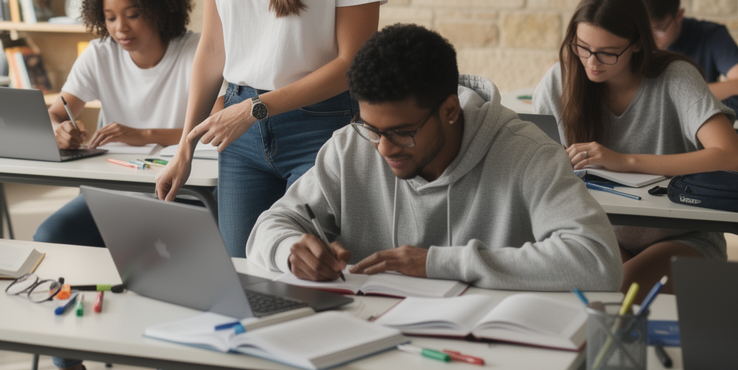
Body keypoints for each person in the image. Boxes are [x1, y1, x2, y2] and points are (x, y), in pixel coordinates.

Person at [155, 0, 385, 370]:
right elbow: (211, 48)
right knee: (246, 307)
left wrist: (258, 109)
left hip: (321, 130)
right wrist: (183, 145)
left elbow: (352, 67)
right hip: (240, 136)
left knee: (310, 303)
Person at [247, 21, 621, 288]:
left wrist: (437, 263)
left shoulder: (529, 154)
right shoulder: (351, 146)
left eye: (402, 132)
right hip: (374, 355)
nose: (383, 147)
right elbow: (270, 226)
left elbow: (597, 260)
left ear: (449, 110)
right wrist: (288, 251)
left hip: (487, 362)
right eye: (372, 128)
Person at [33, 0, 199, 370]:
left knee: (169, 257)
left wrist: (142, 134)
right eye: (109, 17)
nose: (120, 28)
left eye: (132, 13)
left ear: (160, 9)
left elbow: (213, 121)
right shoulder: (102, 55)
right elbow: (57, 108)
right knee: (51, 236)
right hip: (113, 190)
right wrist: (60, 129)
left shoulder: (195, 52)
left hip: (179, 192)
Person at [534, 0, 738, 294]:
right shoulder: (560, 80)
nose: (592, 62)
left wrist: (624, 161)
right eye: (582, 47)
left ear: (636, 44)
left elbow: (733, 158)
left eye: (607, 53)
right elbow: (536, 172)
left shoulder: (676, 77)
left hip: (681, 237)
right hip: (599, 233)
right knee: (561, 286)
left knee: (616, 289)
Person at [635, 0, 738, 99]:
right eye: (643, 29)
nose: (648, 37)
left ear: (679, 15)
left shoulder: (710, 35)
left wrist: (680, 93)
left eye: (659, 28)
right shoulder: (630, 36)